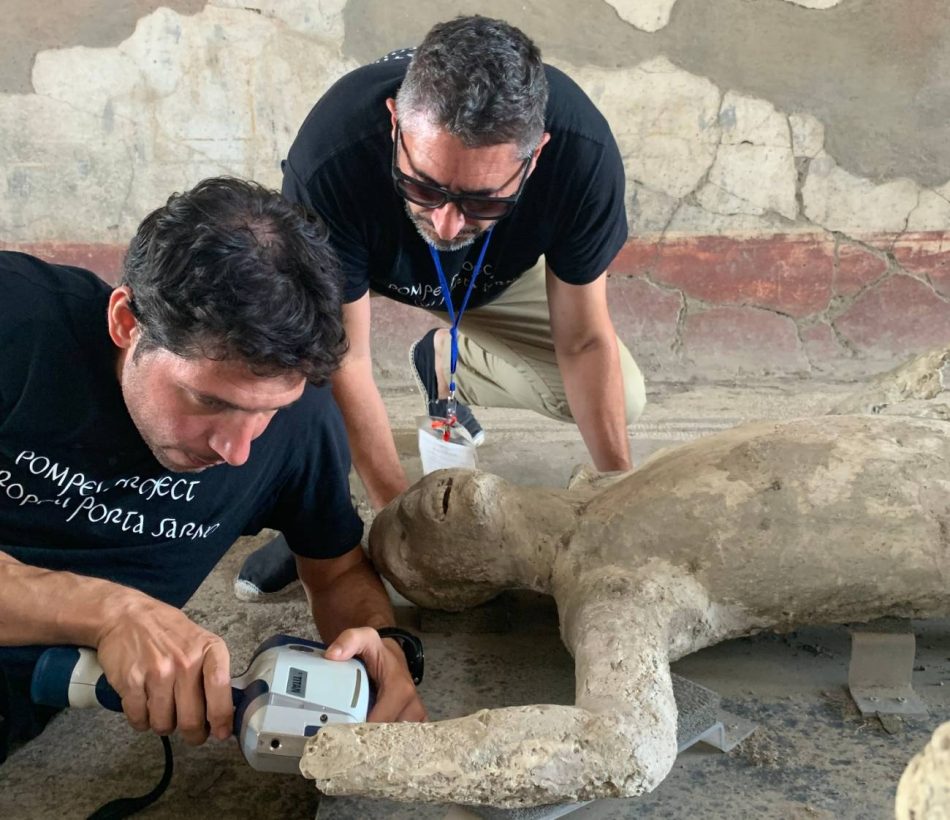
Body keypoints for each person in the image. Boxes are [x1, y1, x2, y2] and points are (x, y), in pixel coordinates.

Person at [0, 177, 425, 765]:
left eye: (267, 411)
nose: (237, 450)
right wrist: (109, 612)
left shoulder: (302, 426)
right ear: (127, 321)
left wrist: (382, 645)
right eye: (211, 402)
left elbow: (336, 573)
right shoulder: (15, 323)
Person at [237, 15, 646, 598]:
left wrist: (618, 500)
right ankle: (321, 522)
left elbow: (582, 341)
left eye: (483, 200)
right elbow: (344, 360)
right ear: (396, 124)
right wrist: (402, 528)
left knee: (624, 399)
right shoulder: (334, 154)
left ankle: (445, 361)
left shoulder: (583, 155)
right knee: (290, 371)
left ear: (536, 156)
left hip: (492, 279)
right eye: (424, 187)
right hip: (364, 264)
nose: (448, 222)